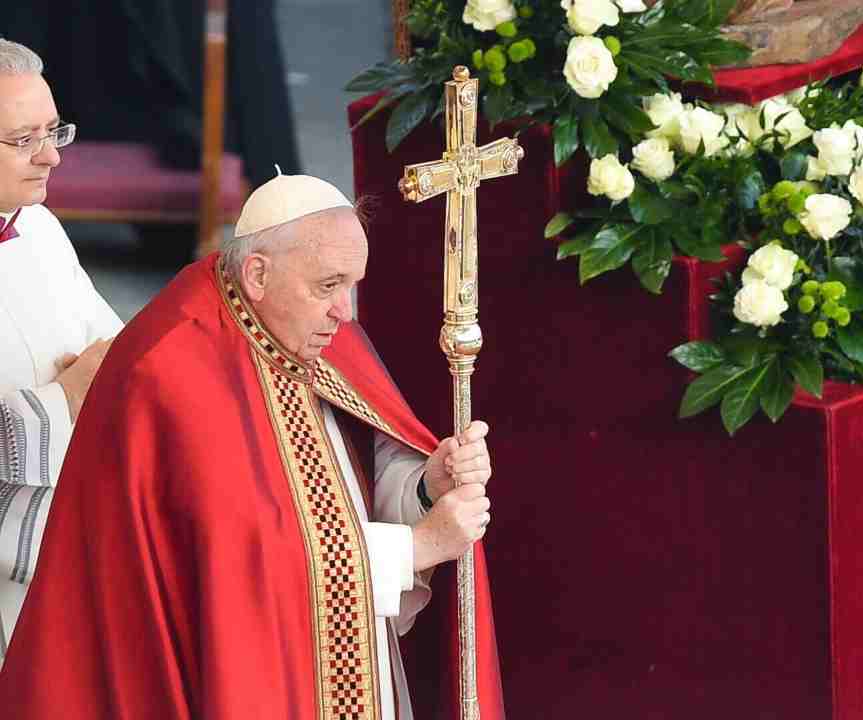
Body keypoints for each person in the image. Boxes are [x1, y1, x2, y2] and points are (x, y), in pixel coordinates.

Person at [0, 172, 504, 720]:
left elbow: (351, 471)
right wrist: (419, 548)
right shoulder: (174, 369)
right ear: (258, 273)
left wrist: (425, 487)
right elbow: (240, 568)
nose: (347, 312)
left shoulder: (309, 327)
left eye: (352, 285)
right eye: (329, 285)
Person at [0, 38, 122, 664]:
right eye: (24, 139)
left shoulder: (37, 226)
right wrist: (60, 401)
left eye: (54, 132)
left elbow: (112, 348)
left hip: (64, 549)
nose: (51, 157)